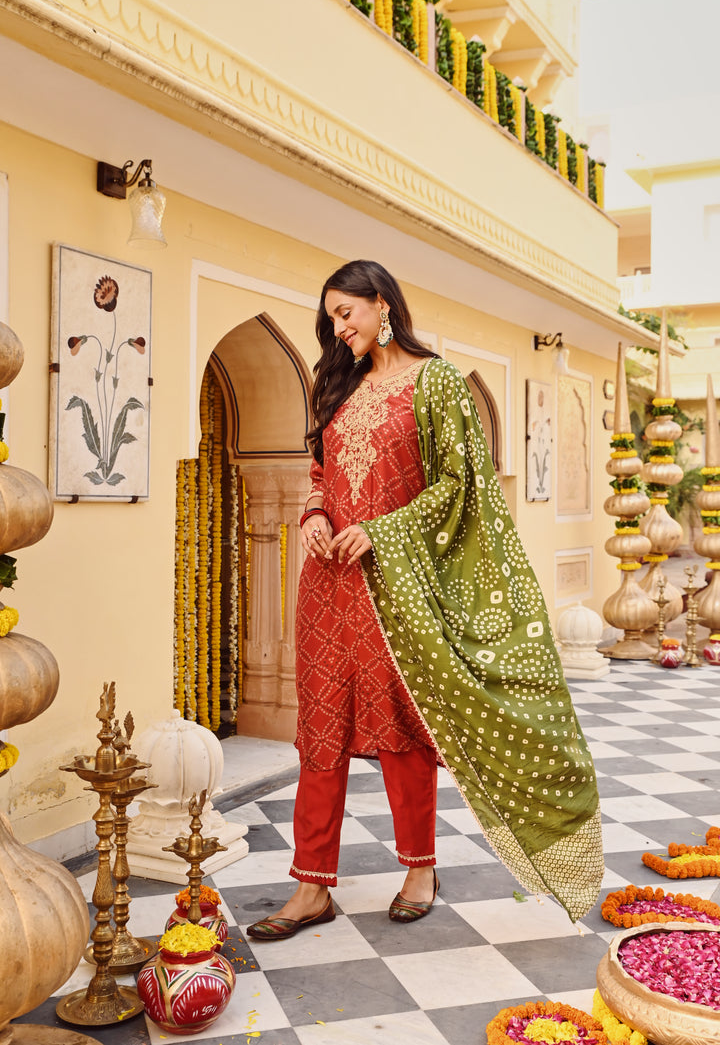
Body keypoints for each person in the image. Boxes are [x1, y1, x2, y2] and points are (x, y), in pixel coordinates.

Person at [247, 260, 603, 941]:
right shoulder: (339, 384)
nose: (337, 327)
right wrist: (316, 512)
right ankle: (310, 885)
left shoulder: (436, 382)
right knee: (319, 729)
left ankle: (419, 870)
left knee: (403, 727)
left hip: (396, 586)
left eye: (345, 312)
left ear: (383, 303)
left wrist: (380, 531)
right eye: (330, 317)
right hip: (328, 585)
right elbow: (319, 469)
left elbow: (458, 487)